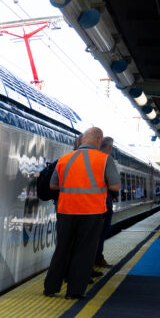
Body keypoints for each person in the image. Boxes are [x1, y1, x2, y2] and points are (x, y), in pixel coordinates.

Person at [43, 127, 121, 299]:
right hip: (91, 212)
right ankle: (74, 291)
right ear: (99, 140)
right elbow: (115, 186)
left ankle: (50, 288)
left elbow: (53, 185)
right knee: (84, 251)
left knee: (62, 249)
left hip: (65, 211)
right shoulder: (105, 159)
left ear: (83, 140)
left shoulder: (65, 159)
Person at [94, 136, 119, 268]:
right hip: (104, 203)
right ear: (110, 147)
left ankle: (91, 262)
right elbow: (114, 184)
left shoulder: (91, 158)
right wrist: (115, 195)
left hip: (89, 204)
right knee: (101, 233)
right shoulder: (107, 159)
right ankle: (98, 259)